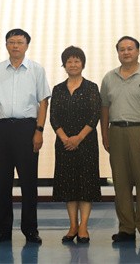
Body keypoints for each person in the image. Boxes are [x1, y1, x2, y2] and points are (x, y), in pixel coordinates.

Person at [0, 28, 51, 244]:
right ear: (6, 45)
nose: (15, 46)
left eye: (20, 42)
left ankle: (30, 229)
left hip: (27, 129)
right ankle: (3, 230)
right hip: (2, 129)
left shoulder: (36, 70)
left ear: (27, 45)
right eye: (11, 42)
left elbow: (43, 102)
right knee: (3, 183)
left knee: (29, 183)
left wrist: (39, 130)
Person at [100, 36, 140, 244]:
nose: (126, 52)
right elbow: (104, 108)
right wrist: (105, 134)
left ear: (138, 51)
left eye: (130, 48)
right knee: (121, 183)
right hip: (116, 132)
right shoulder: (109, 78)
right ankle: (126, 228)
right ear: (117, 52)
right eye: (122, 49)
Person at [50, 46, 101, 244]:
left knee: (85, 185)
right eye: (69, 61)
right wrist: (65, 139)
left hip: (86, 144)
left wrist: (78, 138)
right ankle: (72, 225)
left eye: (77, 61)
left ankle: (83, 227)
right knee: (69, 186)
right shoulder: (58, 89)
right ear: (64, 65)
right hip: (64, 144)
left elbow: (95, 115)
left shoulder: (91, 88)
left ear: (83, 64)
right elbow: (53, 117)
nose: (73, 64)